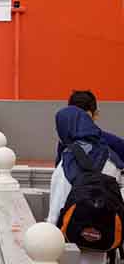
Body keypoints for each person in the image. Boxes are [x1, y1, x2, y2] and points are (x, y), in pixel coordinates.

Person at [47, 91, 124, 264]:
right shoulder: (111, 156)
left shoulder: (67, 159)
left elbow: (55, 208)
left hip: (74, 234)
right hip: (104, 236)